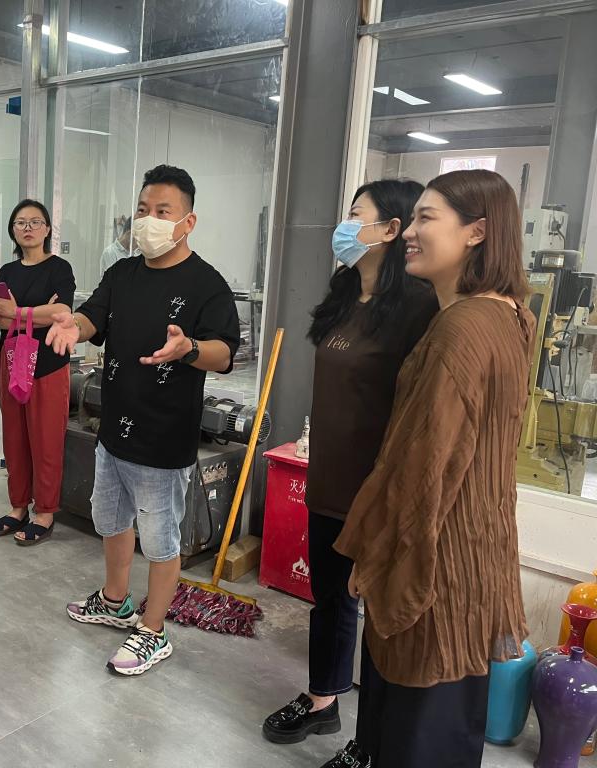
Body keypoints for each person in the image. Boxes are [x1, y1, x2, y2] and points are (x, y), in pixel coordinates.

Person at [329, 169, 533, 768]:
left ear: (477, 232)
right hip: (477, 552)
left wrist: (376, 552)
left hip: (437, 566)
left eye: (427, 218)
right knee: (449, 731)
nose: (410, 232)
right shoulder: (510, 315)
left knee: (418, 736)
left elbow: (423, 468)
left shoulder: (460, 328)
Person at [262, 180, 437, 756]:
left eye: (356, 214)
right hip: (329, 476)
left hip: (378, 485)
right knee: (331, 598)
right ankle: (323, 702)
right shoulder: (344, 293)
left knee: (380, 615)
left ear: (391, 229)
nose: (345, 224)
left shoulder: (418, 308)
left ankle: (373, 742)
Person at [47, 165, 241, 675]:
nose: (148, 220)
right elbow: (93, 316)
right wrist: (73, 325)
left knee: (159, 539)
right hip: (114, 429)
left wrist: (189, 347)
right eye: (142, 209)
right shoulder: (123, 273)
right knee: (111, 520)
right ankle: (115, 601)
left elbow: (225, 353)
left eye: (162, 211)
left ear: (187, 222)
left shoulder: (207, 285)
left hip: (164, 437)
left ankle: (153, 631)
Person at [0, 199, 75, 545]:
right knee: (14, 438)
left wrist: (17, 312)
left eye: (35, 222)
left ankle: (45, 512)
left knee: (46, 440)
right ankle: (18, 507)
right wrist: (35, 313)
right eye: (20, 222)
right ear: (13, 230)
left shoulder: (59, 269)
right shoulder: (7, 271)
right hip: (11, 362)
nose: (28, 228)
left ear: (47, 229)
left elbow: (61, 312)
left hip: (49, 364)